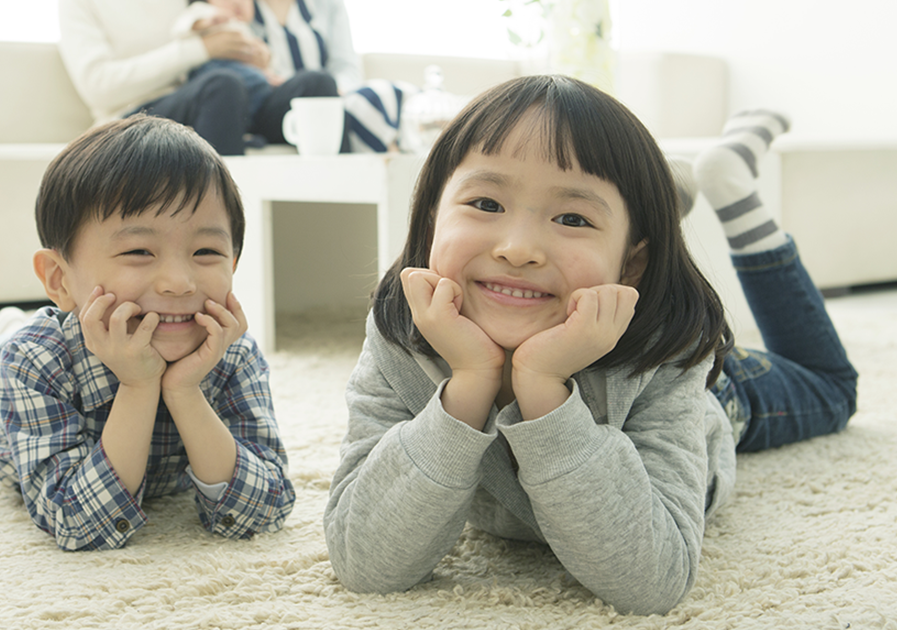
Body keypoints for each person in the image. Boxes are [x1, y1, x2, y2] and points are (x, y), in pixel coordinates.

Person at [323, 75, 857, 614]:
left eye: (572, 217)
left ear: (632, 266)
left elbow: (652, 581)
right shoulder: (404, 327)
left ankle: (729, 185)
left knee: (833, 389)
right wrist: (468, 385)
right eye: (486, 203)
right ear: (430, 216)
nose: (518, 248)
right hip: (597, 291)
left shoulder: (667, 350)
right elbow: (365, 562)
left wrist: (541, 386)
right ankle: (649, 205)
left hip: (706, 386)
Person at [0, 116, 295, 550]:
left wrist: (184, 391)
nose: (179, 282)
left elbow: (264, 509)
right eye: (138, 251)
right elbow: (77, 522)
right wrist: (138, 386)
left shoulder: (231, 352)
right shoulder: (33, 362)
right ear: (59, 279)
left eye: (206, 251)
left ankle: (2, 327)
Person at [58, 0, 339, 155]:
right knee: (223, 86)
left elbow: (223, 24)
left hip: (224, 99)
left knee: (316, 84)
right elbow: (99, 87)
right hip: (136, 116)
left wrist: (256, 55)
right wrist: (200, 50)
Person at [249, 0, 415, 153]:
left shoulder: (328, 4)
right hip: (271, 102)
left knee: (380, 94)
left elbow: (346, 65)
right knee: (319, 82)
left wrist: (337, 89)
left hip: (329, 92)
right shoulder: (238, 6)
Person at [171, 0, 285, 124]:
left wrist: (267, 68)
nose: (237, 3)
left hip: (242, 75)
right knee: (249, 83)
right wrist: (207, 22)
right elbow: (181, 28)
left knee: (259, 85)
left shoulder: (248, 30)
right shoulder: (205, 11)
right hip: (211, 68)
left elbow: (258, 61)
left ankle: (246, 124)